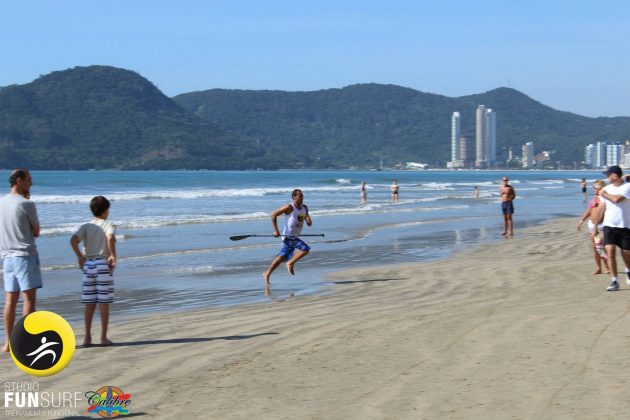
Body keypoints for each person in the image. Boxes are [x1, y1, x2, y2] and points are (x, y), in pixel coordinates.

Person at [0, 169, 41, 352]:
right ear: (19, 181)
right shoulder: (27, 204)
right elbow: (36, 231)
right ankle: (24, 341)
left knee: (10, 301)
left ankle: (8, 342)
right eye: (28, 180)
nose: (30, 183)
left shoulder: (1, 203)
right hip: (24, 255)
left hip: (7, 256)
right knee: (29, 300)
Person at [70, 196, 117, 346]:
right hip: (102, 264)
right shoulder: (108, 224)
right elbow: (110, 238)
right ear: (106, 210)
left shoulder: (86, 226)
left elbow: (73, 240)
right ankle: (103, 337)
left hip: (88, 265)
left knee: (89, 303)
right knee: (104, 302)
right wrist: (113, 255)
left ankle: (87, 337)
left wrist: (80, 257)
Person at [263, 189, 312, 286]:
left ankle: (267, 273)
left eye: (302, 196)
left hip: (295, 236)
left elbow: (307, 217)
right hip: (289, 236)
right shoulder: (289, 207)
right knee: (305, 249)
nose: (302, 198)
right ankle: (290, 263)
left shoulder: (305, 207)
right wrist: (276, 231)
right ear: (294, 197)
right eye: (299, 196)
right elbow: (273, 215)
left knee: (281, 258)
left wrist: (308, 220)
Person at [594, 166, 630, 291]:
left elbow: (617, 200)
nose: (606, 177)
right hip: (609, 226)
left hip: (625, 226)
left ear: (614, 175)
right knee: (610, 251)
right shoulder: (606, 188)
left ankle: (628, 270)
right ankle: (614, 281)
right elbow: (602, 208)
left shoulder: (627, 187)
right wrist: (596, 225)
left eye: (608, 175)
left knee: (626, 254)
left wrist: (604, 193)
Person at [577, 180, 610, 275]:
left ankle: (608, 267)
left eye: (595, 187)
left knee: (599, 247)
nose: (593, 189)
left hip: (600, 226)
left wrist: (596, 226)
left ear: (601, 188)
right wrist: (581, 221)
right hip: (592, 225)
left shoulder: (605, 198)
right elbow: (590, 210)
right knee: (596, 248)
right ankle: (599, 268)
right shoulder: (594, 198)